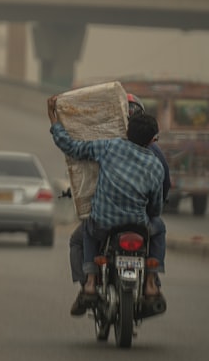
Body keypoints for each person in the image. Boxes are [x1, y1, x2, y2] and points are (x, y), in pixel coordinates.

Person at [48, 97, 166, 309]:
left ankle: (90, 284)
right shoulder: (156, 165)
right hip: (137, 225)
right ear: (151, 140)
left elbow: (72, 148)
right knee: (159, 228)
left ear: (126, 129)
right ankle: (151, 283)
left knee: (84, 235)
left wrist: (54, 121)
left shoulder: (109, 147)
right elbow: (156, 206)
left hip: (103, 223)